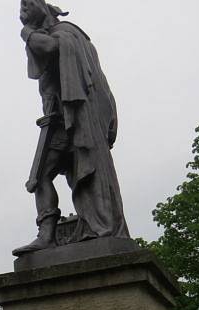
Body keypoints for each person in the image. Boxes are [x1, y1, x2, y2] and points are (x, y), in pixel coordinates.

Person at [13, 0, 128, 255]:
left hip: (68, 119)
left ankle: (47, 235)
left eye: (25, 10)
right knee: (46, 176)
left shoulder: (64, 33)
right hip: (67, 118)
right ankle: (52, 234)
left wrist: (27, 32)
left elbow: (50, 48)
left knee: (40, 176)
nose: (21, 14)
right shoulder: (79, 39)